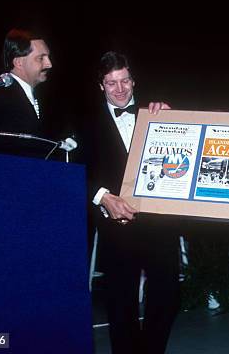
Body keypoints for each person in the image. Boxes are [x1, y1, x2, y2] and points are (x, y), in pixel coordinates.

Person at [85, 51, 179, 354]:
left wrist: (174, 119)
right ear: (101, 86)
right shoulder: (84, 120)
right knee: (120, 299)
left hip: (159, 223)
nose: (120, 89)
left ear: (133, 80)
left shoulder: (157, 113)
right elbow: (73, 170)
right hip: (116, 223)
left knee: (167, 293)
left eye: (125, 80)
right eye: (112, 83)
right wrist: (103, 198)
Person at [0, 28, 58, 156]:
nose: (49, 64)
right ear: (18, 62)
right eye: (41, 58)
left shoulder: (44, 97)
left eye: (48, 57)